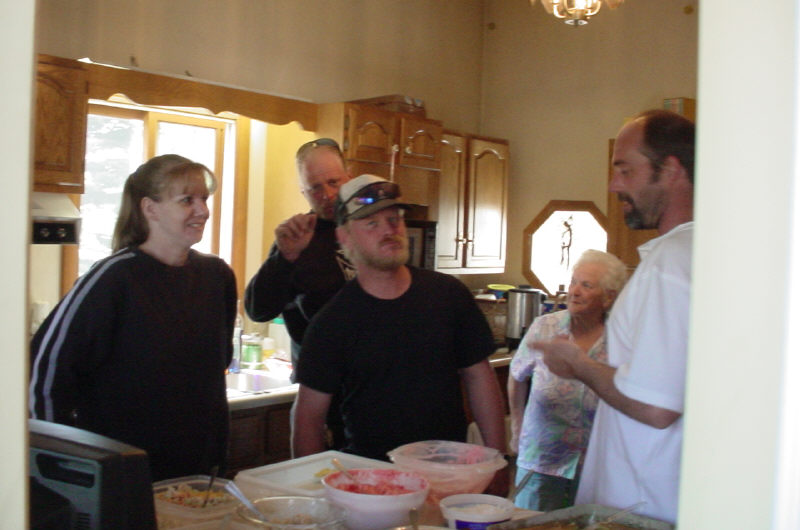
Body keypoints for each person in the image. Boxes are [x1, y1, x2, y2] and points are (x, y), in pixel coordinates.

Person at [291, 174, 509, 495]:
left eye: (394, 219)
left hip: (448, 480)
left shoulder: (449, 296)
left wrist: (497, 461)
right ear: (344, 237)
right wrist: (315, 497)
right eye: (371, 223)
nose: (388, 230)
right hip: (371, 487)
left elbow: (479, 378)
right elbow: (308, 418)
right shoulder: (332, 323)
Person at [29, 154, 237, 482]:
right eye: (187, 200)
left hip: (200, 473)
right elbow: (45, 372)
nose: (203, 210)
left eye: (204, 199)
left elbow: (215, 366)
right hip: (125, 475)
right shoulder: (113, 279)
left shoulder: (217, 276)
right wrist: (60, 467)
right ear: (150, 208)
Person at [533, 109, 694, 524]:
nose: (614, 185)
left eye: (625, 171)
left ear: (670, 170)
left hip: (642, 507)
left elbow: (656, 407)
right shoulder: (698, 251)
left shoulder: (670, 264)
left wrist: (578, 365)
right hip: (665, 500)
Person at [244, 138, 355, 450]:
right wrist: (284, 257)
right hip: (324, 395)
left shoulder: (367, 228)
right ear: (303, 192)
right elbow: (258, 310)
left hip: (375, 388)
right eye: (315, 188)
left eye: (333, 182)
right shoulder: (298, 240)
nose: (327, 195)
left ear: (348, 177)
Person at [508, 249, 627, 511]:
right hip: (541, 457)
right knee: (530, 524)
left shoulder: (622, 338)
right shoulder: (545, 327)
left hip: (597, 461)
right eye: (574, 282)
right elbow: (516, 376)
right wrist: (517, 427)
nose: (574, 291)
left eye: (586, 286)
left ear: (609, 297)